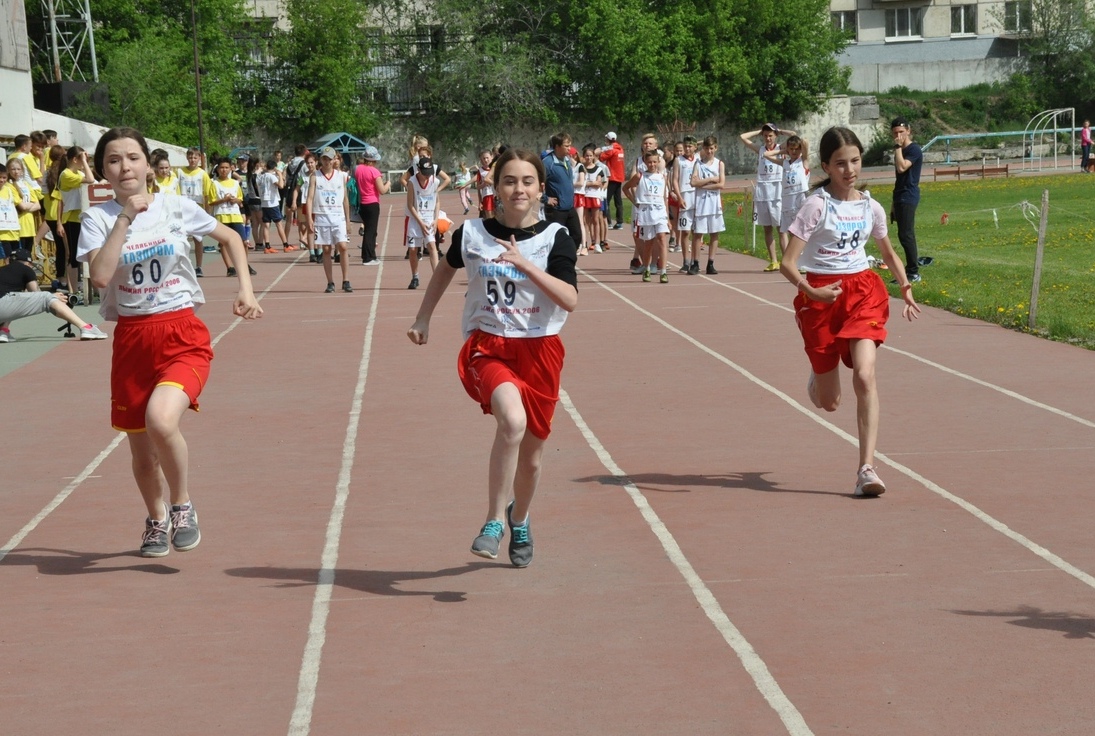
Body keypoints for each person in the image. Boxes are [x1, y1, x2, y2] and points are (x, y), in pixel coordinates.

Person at [78, 127, 262, 556]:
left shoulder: (176, 206)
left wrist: (245, 290)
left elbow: (231, 237)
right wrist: (125, 217)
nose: (124, 167)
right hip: (132, 339)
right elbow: (101, 276)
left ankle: (182, 506)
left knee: (163, 420)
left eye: (132, 157)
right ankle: (156, 518)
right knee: (143, 455)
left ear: (147, 163)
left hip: (181, 333)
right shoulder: (97, 218)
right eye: (114, 160)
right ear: (103, 169)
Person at [407, 148, 578, 568]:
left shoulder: (556, 236)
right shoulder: (472, 234)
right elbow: (446, 269)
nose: (518, 189)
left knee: (533, 459)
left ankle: (518, 518)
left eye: (526, 182)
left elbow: (570, 299)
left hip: (540, 349)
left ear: (541, 189)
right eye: (509, 181)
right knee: (512, 421)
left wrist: (525, 264)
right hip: (488, 345)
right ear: (494, 186)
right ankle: (491, 523)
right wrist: (423, 317)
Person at [779, 126, 920, 496]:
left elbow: (888, 253)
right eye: (840, 164)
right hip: (822, 295)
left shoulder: (870, 206)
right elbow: (788, 263)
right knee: (831, 403)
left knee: (865, 376)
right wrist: (811, 290)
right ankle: (818, 375)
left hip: (862, 292)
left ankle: (866, 469)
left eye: (855, 161)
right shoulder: (816, 206)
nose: (849, 170)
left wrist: (904, 287)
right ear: (825, 165)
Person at [0, 248, 107, 342]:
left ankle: (3, 331)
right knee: (47, 297)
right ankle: (86, 327)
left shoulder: (2, 270)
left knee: (14, 297)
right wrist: (54, 296)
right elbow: (37, 294)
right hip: (3, 304)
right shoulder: (26, 269)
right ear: (28, 263)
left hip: (4, 304)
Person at [740, 123, 796, 272]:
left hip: (777, 190)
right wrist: (759, 131)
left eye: (770, 135)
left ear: (776, 136)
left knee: (781, 228)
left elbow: (794, 134)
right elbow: (743, 137)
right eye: (765, 135)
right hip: (763, 191)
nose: (768, 138)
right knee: (767, 228)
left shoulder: (780, 148)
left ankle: (787, 261)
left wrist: (780, 130)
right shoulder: (761, 149)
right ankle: (774, 261)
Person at [308, 147, 352, 293]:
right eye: (324, 158)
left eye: (329, 159)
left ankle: (346, 280)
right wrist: (309, 218)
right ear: (321, 160)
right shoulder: (315, 176)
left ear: (334, 160)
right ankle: (330, 282)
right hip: (322, 216)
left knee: (343, 246)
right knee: (326, 249)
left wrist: (348, 220)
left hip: (338, 216)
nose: (326, 161)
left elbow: (345, 199)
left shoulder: (341, 176)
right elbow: (309, 198)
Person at [204, 157, 256, 278]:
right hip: (222, 215)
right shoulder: (214, 183)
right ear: (217, 169)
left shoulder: (234, 183)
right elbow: (211, 202)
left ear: (231, 169)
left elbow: (240, 199)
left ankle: (244, 265)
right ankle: (230, 267)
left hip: (235, 215)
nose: (224, 170)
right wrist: (224, 199)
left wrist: (235, 200)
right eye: (222, 167)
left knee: (244, 242)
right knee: (223, 243)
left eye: (227, 167)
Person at [624, 148, 670, 282]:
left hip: (660, 211)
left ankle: (663, 272)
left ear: (658, 162)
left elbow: (664, 197)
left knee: (661, 238)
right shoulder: (640, 176)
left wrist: (667, 216)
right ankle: (647, 268)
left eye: (655, 162)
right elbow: (625, 188)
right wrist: (635, 202)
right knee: (649, 242)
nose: (652, 165)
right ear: (645, 162)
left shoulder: (662, 177)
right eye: (649, 162)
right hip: (646, 212)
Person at [56, 147, 97, 292]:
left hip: (81, 217)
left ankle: (85, 288)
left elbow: (94, 182)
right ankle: (73, 290)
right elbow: (91, 180)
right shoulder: (66, 175)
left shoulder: (77, 173)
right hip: (71, 218)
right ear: (75, 159)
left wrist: (85, 161)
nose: (85, 162)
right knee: (73, 256)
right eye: (82, 159)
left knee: (86, 253)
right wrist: (85, 162)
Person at [890, 117, 923, 284]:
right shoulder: (899, 151)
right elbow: (898, 177)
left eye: (901, 132)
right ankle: (908, 269)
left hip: (909, 194)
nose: (898, 136)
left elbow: (902, 167)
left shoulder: (914, 150)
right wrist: (893, 203)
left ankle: (913, 272)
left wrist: (897, 148)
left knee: (906, 234)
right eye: (895, 133)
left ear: (908, 131)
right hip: (900, 195)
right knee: (902, 234)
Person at [764, 135, 811, 250]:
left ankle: (804, 254)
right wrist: (783, 150)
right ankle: (795, 256)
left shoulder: (803, 161)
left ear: (800, 149)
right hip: (787, 199)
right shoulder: (784, 163)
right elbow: (766, 154)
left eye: (796, 149)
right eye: (791, 149)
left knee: (802, 229)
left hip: (800, 197)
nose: (794, 151)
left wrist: (798, 144)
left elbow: (805, 142)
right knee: (791, 230)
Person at [689, 135, 725, 276]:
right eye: (706, 148)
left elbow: (721, 184)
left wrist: (702, 184)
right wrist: (710, 180)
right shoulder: (698, 164)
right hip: (701, 203)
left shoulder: (719, 164)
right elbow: (693, 183)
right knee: (698, 234)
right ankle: (695, 263)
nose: (709, 151)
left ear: (715, 148)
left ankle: (711, 263)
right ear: (703, 148)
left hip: (714, 204)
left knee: (714, 233)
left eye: (711, 148)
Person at [541, 133, 583, 254]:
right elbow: (537, 183)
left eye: (570, 145)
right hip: (556, 209)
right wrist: (545, 198)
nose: (570, 148)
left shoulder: (567, 160)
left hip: (569, 206)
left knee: (576, 235)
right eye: (566, 146)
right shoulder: (548, 163)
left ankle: (567, 259)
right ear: (557, 146)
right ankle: (553, 264)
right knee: (555, 239)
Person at [405, 156, 441, 289]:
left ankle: (437, 278)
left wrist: (436, 219)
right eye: (424, 174)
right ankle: (415, 276)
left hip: (429, 219)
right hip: (415, 219)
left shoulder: (435, 181)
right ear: (418, 170)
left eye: (429, 173)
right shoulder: (412, 182)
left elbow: (437, 201)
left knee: (432, 246)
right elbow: (410, 205)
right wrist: (420, 222)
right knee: (413, 249)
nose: (427, 177)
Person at [177, 147, 213, 276]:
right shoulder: (180, 172)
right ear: (187, 158)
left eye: (195, 157)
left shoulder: (202, 174)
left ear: (199, 159)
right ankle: (183, 265)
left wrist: (208, 211)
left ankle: (198, 266)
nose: (192, 160)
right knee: (182, 238)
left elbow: (207, 194)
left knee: (198, 238)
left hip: (197, 207)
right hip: (182, 207)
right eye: (190, 157)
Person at [352, 145, 389, 265]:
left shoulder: (358, 169)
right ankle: (368, 258)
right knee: (371, 231)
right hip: (372, 202)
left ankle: (369, 255)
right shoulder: (374, 171)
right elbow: (382, 190)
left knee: (369, 229)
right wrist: (388, 183)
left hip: (361, 202)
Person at [672, 136, 699, 273]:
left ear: (695, 147)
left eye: (690, 146)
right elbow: (675, 180)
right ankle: (685, 260)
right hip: (685, 196)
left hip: (697, 197)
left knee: (696, 231)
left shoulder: (699, 158)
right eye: (686, 146)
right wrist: (679, 196)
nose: (687, 149)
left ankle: (695, 260)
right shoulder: (679, 160)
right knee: (685, 231)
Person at [258, 157, 292, 252]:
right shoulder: (271, 176)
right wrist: (280, 175)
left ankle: (267, 246)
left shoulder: (262, 176)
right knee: (279, 224)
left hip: (264, 202)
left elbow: (257, 185)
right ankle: (285, 244)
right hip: (272, 203)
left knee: (266, 224)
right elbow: (281, 186)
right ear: (274, 168)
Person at [598, 132, 626, 229]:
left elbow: (601, 157)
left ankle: (608, 222)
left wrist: (601, 151)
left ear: (608, 140)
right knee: (618, 201)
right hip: (620, 177)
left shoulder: (611, 150)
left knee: (606, 199)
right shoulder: (620, 149)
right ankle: (619, 222)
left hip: (612, 177)